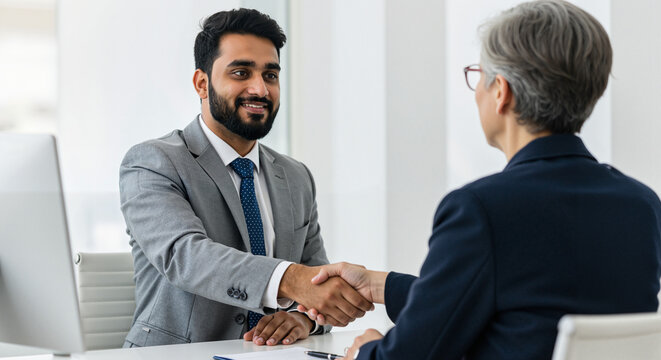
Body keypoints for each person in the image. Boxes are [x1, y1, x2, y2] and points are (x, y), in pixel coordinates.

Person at [300, 1, 661, 359]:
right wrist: (383, 285)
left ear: (501, 91)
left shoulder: (482, 209)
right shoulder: (642, 205)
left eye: (479, 75)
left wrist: (365, 353)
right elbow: (526, 309)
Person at [119, 8, 371, 348]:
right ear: (202, 83)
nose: (260, 89)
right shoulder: (154, 162)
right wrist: (290, 279)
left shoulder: (296, 177)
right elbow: (186, 256)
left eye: (270, 76)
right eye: (241, 72)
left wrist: (300, 318)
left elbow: (316, 280)